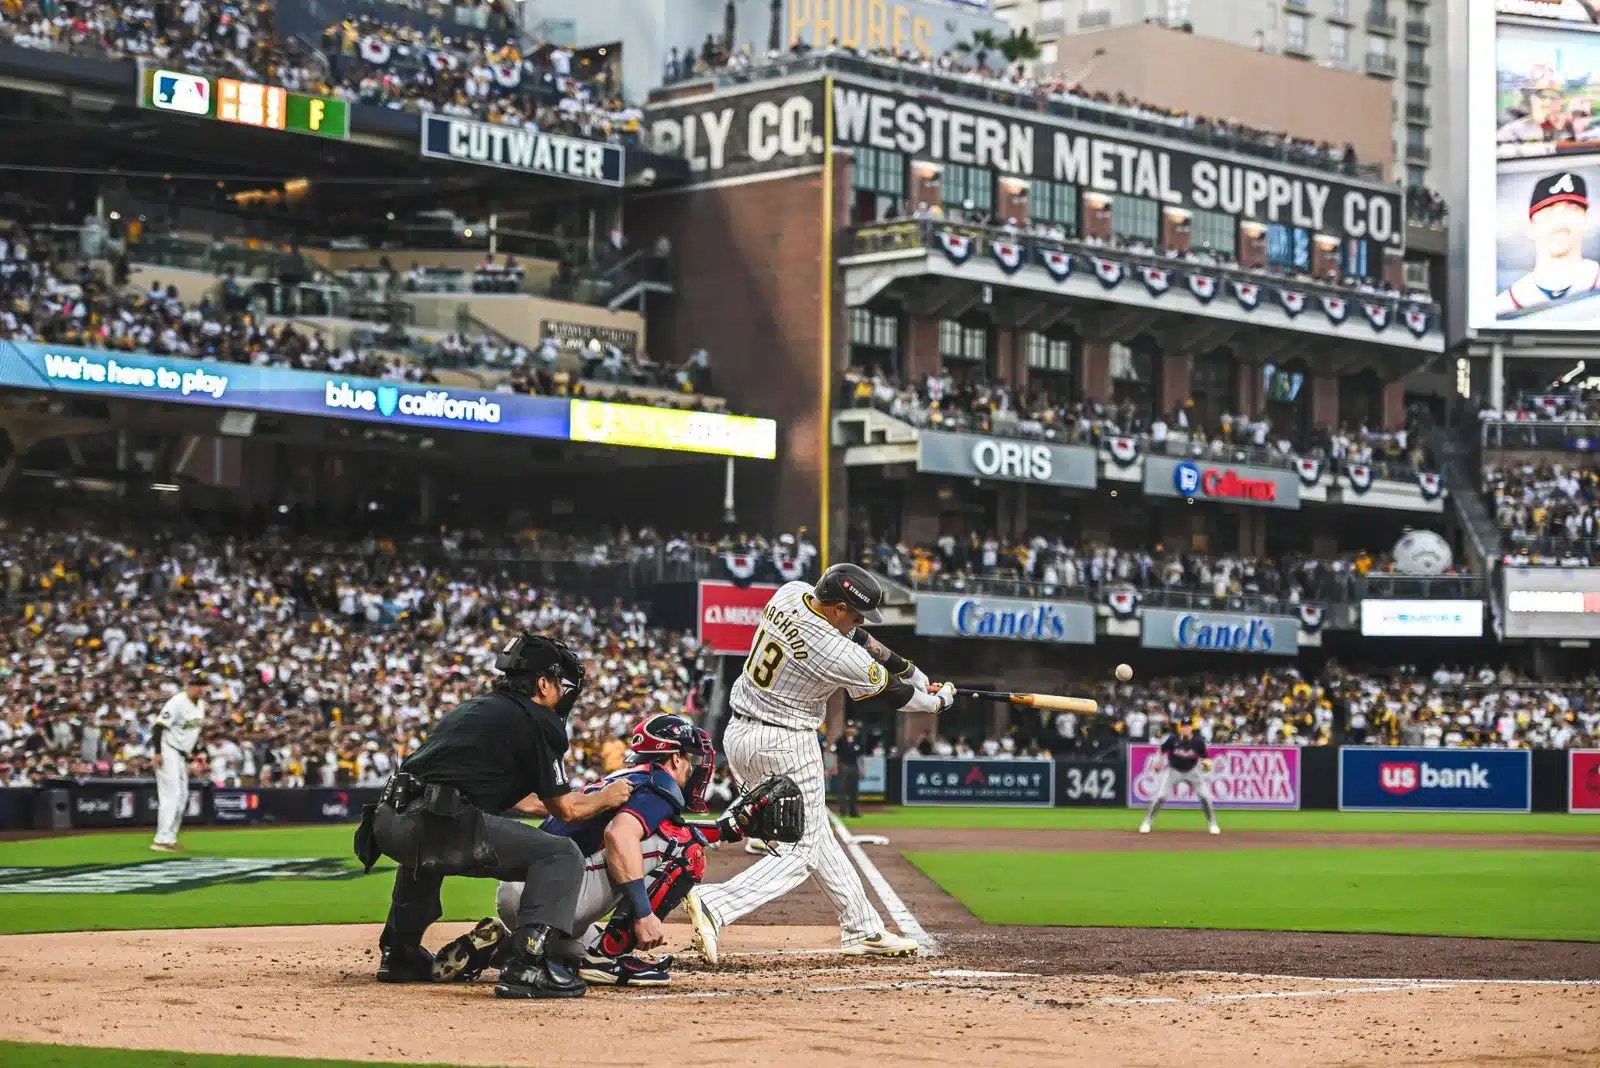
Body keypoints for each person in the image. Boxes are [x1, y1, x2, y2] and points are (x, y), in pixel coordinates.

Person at [684, 563, 954, 964]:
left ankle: (862, 927)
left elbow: (861, 637)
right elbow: (899, 697)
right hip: (785, 742)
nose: (860, 623)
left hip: (740, 734)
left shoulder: (791, 593)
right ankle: (716, 903)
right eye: (855, 613)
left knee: (818, 834)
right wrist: (938, 700)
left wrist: (913, 671)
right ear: (838, 607)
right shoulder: (835, 652)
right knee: (803, 850)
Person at [357, 633, 634, 999]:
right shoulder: (537, 719)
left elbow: (490, 785)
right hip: (437, 822)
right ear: (542, 683)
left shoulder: (478, 708)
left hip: (388, 821)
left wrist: (540, 803)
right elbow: (566, 809)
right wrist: (608, 795)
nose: (566, 694)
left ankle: (399, 953)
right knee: (560, 855)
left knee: (425, 856)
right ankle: (528, 965)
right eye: (562, 685)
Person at [432, 713, 729, 988]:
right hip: (554, 898)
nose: (692, 766)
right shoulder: (658, 784)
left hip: (522, 893)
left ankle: (504, 947)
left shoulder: (620, 778)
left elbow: (548, 807)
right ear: (675, 758)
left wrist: (731, 828)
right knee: (684, 846)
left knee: (579, 953)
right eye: (689, 758)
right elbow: (619, 835)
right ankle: (609, 951)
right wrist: (643, 913)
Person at [1496, 171, 1600, 317]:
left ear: (1586, 220)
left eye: (1571, 210)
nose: (1560, 221)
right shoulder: (1501, 307)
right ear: (1530, 227)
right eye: (1549, 212)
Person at [150, 674, 207, 853]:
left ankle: (170, 838)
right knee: (171, 794)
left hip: (181, 754)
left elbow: (192, 733)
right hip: (168, 750)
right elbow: (159, 727)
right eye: (197, 684)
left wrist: (194, 754)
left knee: (182, 797)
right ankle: (161, 839)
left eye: (203, 685)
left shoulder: (201, 705)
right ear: (188, 686)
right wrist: (158, 753)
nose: (200, 688)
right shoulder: (177, 701)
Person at [1138, 717, 1220, 835]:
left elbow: (1205, 757)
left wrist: (1207, 763)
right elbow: (1161, 749)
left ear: (1192, 727)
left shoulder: (1198, 741)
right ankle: (1147, 822)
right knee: (1161, 797)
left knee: (1205, 797)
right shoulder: (1173, 739)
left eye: (1188, 726)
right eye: (1184, 726)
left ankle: (1212, 823)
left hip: (1192, 772)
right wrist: (1158, 762)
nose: (1186, 728)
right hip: (1174, 771)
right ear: (1181, 727)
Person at [833, 722, 864, 819]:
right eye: (849, 728)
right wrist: (835, 766)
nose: (850, 730)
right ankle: (843, 811)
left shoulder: (858, 740)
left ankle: (853, 811)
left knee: (853, 791)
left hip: (854, 767)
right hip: (843, 766)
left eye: (852, 728)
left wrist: (862, 769)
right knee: (842, 790)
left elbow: (861, 756)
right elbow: (835, 754)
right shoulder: (840, 740)